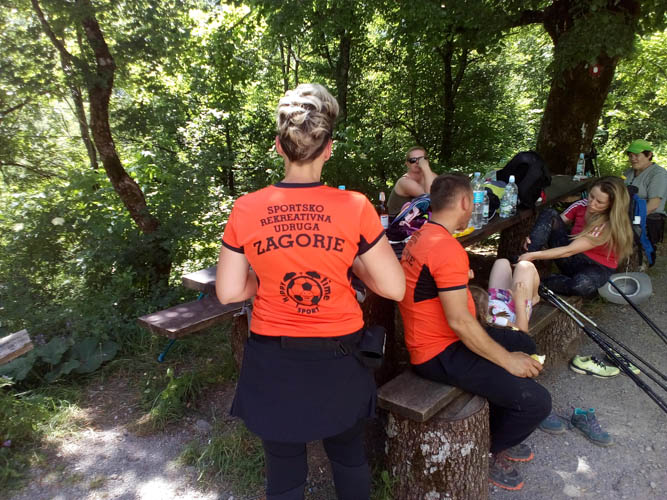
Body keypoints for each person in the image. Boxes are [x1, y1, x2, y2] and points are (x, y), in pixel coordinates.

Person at [216, 83, 405, 500]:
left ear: (278, 148)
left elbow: (228, 291)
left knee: (284, 472)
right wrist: (352, 262)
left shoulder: (246, 207)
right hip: (340, 356)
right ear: (328, 149)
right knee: (348, 456)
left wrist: (262, 279)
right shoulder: (355, 207)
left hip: (273, 360)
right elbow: (393, 287)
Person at [398, 173, 550, 491]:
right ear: (466, 202)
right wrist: (508, 361)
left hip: (445, 338)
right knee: (536, 402)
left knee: (524, 342)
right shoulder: (445, 248)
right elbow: (460, 323)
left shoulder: (422, 234)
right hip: (438, 352)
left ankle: (500, 418)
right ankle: (489, 449)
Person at [519, 176, 634, 297]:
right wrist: (537, 234)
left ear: (611, 206)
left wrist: (535, 255)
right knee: (549, 213)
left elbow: (569, 250)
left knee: (580, 285)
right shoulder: (582, 204)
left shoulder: (607, 224)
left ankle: (540, 282)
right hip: (573, 256)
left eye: (599, 202)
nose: (592, 203)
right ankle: (524, 263)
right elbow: (554, 222)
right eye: (591, 196)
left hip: (596, 267)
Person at [623, 139, 667, 262]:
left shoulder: (658, 174)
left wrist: (626, 219)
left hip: (647, 218)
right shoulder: (629, 172)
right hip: (627, 213)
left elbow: (653, 205)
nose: (633, 159)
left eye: (637, 155)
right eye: (630, 155)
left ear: (649, 155)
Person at [470, 259, 541, 332]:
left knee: (501, 262)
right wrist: (520, 302)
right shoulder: (495, 320)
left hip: (495, 299)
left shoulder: (474, 311)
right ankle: (535, 297)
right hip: (517, 309)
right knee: (527, 266)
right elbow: (522, 332)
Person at [386, 146, 438, 216]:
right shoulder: (404, 181)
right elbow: (430, 198)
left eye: (422, 159)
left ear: (427, 160)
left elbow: (444, 195)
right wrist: (426, 168)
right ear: (407, 164)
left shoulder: (430, 175)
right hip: (397, 220)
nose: (417, 162)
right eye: (413, 160)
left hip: (417, 218)